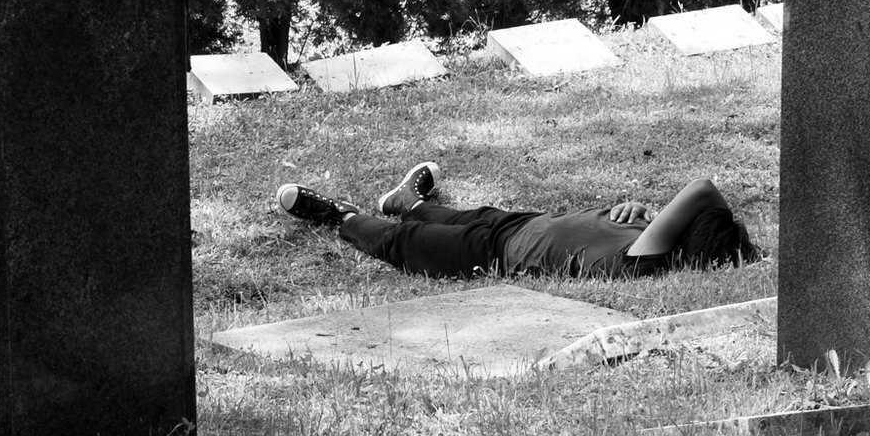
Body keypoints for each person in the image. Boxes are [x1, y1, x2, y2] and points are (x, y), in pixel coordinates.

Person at [276, 162, 762, 280]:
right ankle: (409, 199)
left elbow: (702, 189)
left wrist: (673, 221)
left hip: (490, 255)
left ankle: (337, 215)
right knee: (441, 215)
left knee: (402, 242)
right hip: (518, 223)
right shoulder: (647, 234)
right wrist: (648, 214)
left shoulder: (647, 259)